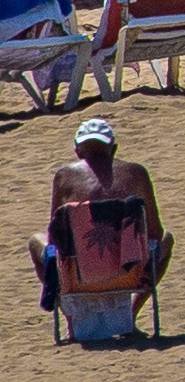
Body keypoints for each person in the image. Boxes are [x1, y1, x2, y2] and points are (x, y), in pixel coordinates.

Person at [38, 113, 166, 334]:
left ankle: (69, 321)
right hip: (129, 270)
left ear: (77, 150)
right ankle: (131, 316)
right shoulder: (137, 173)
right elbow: (155, 233)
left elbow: (54, 237)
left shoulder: (64, 176)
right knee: (168, 239)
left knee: (35, 241)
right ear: (113, 149)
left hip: (77, 275)